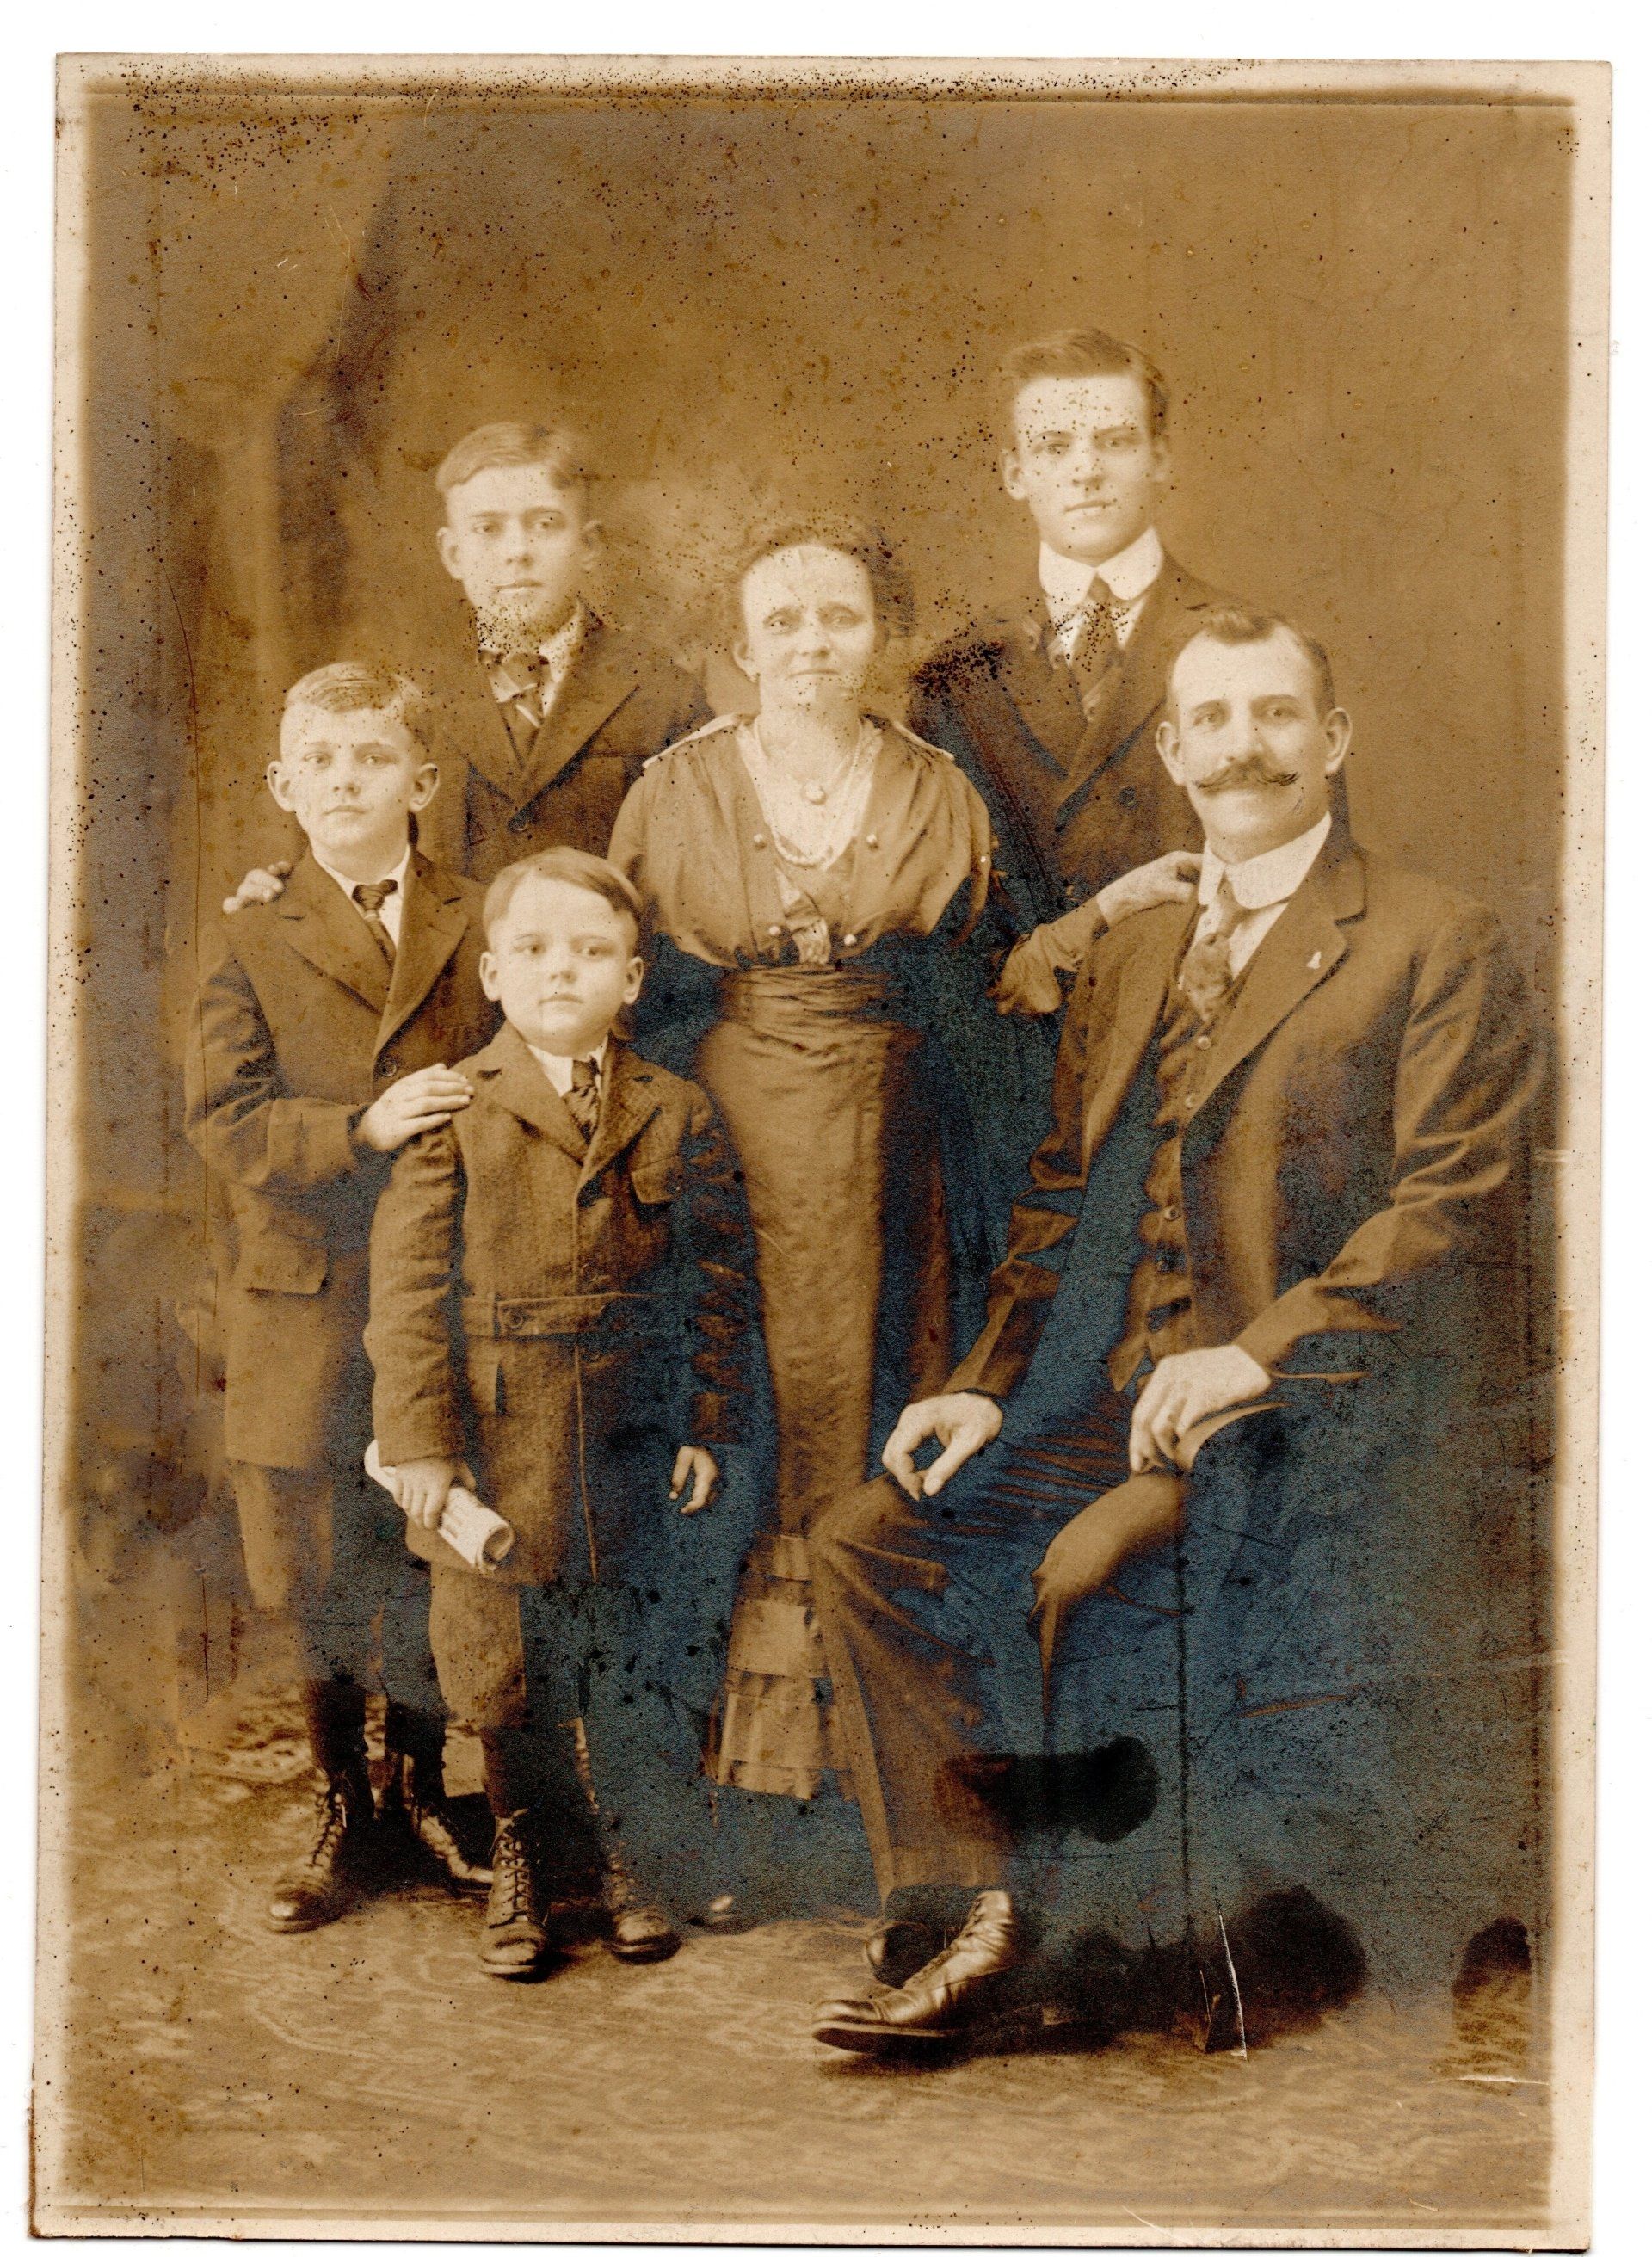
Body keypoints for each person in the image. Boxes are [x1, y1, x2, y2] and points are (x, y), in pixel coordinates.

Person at [806, 607, 1541, 2055]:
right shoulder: (1138, 945)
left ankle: (1050, 1947)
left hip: (1301, 1412)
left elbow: (1453, 1207)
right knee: (870, 1539)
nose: (1242, 747)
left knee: (1082, 1568)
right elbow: (1063, 1192)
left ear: (1333, 738)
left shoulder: (1430, 937)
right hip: (1108, 1390)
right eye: (1211, 719)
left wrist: (1256, 1353)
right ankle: (959, 1899)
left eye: (1275, 714)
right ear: (1173, 750)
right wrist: (986, 1385)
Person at [607, 521, 1020, 1816]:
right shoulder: (675, 789)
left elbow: (987, 967)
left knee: (890, 1381)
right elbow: (625, 982)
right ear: (739, 642)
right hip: (734, 1125)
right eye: (781, 621)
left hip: (897, 1129)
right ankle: (744, 1780)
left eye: (838, 616)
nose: (810, 643)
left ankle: (877, 1770)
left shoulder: (936, 788)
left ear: (879, 634)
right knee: (746, 1400)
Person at [365, 848, 753, 1978]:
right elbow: (408, 1294)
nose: (560, 970)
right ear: (493, 972)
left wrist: (708, 1423)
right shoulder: (454, 1108)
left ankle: (632, 1857)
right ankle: (526, 1853)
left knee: (627, 1646)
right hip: (498, 1436)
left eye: (590, 951)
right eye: (533, 949)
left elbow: (716, 1282)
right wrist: (423, 1445)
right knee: (503, 1663)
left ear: (631, 978)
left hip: (632, 1431)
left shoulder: (676, 1109)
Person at [186, 662, 501, 1933]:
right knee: (314, 1561)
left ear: (420, 781)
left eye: (372, 757)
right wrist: (359, 1127)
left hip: (439, 1285)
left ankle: (420, 1790)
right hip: (302, 1292)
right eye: (318, 760)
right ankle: (341, 1806)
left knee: (419, 1544)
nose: (345, 781)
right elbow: (224, 1115)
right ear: (282, 784)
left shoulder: (480, 914)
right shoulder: (250, 930)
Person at [231, 419, 709, 900]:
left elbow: (699, 880)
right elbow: (348, 850)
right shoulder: (404, 693)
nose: (517, 552)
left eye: (545, 524)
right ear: (453, 553)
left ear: (587, 545)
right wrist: (290, 896)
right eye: (488, 529)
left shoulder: (664, 692)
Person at [912, 327, 1234, 1022]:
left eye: (1114, 442)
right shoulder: (952, 678)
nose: (1086, 471)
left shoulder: (1249, 645)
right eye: (1054, 447)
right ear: (1015, 473)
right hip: (1025, 1051)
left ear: (1160, 458)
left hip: (1198, 1037)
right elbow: (945, 955)